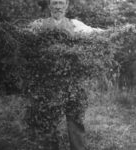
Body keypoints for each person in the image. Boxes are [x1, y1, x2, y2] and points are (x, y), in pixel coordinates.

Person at [25, 0, 104, 150]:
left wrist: (117, 32)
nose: (58, 6)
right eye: (55, 3)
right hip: (47, 82)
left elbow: (94, 32)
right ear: (49, 6)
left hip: (72, 81)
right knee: (48, 121)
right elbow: (23, 36)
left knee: (75, 119)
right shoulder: (39, 25)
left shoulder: (75, 24)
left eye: (61, 3)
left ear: (67, 5)